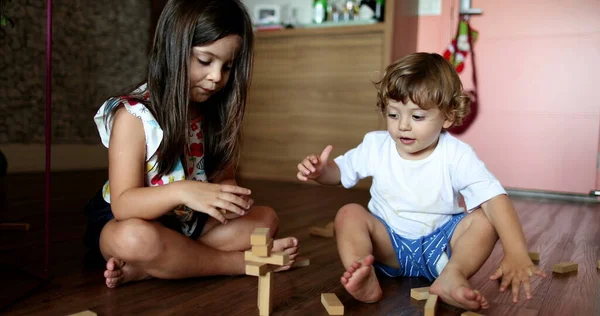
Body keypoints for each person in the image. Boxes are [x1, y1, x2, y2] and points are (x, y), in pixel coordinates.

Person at [296, 52, 546, 311]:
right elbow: (340, 173)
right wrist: (321, 171)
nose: (403, 125)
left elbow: (495, 200)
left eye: (416, 117)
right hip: (387, 247)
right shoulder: (375, 145)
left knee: (485, 220)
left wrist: (516, 252)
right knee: (348, 214)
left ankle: (453, 274)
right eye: (393, 115)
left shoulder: (457, 154)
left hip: (441, 248)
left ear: (447, 117)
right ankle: (363, 272)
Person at [83, 0, 299, 288]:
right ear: (174, 50)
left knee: (265, 220)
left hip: (188, 224)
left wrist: (227, 199)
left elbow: (225, 178)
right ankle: (238, 264)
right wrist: (183, 190)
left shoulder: (214, 112)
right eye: (205, 61)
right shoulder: (134, 116)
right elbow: (124, 205)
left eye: (228, 66)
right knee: (133, 239)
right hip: (132, 222)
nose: (217, 77)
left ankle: (158, 267)